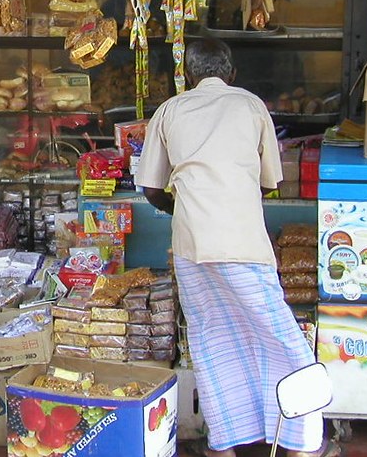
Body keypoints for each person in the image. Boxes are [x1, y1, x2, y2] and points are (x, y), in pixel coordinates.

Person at [135, 39, 335, 457]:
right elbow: (270, 182)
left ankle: (224, 445)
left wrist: (184, 208)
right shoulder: (250, 105)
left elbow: (151, 188)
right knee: (280, 335)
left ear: (188, 74)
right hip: (243, 241)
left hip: (191, 244)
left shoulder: (170, 110)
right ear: (232, 73)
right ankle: (301, 442)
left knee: (211, 339)